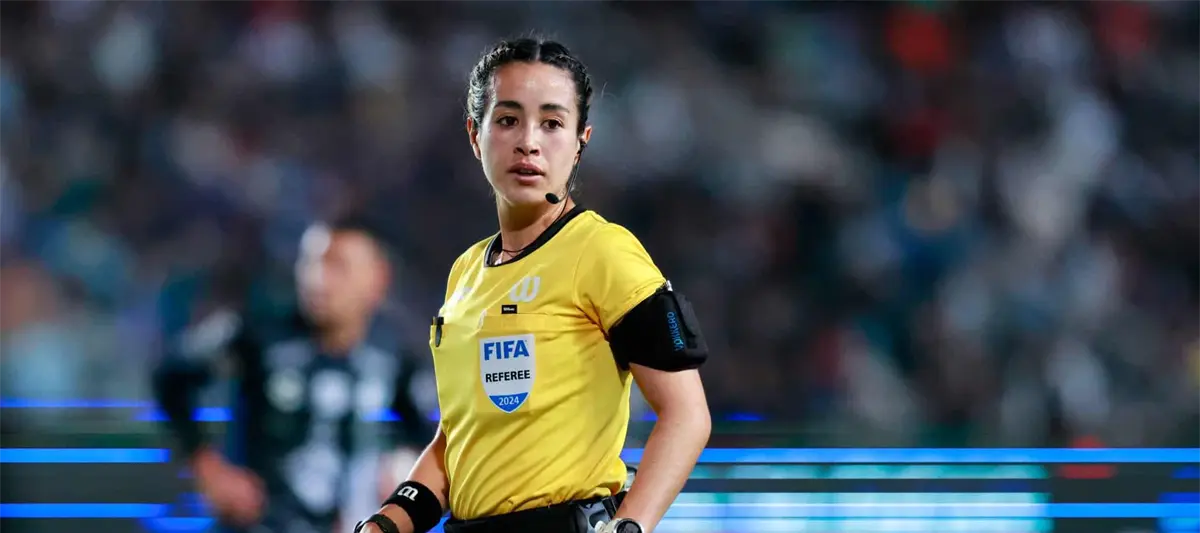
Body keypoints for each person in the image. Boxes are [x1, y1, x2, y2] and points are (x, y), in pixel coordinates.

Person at [355, 37, 712, 533]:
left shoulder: (602, 251)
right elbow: (457, 440)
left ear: (581, 140)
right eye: (507, 120)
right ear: (475, 135)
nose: (529, 141)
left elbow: (687, 416)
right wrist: (387, 522)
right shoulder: (465, 273)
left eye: (552, 123)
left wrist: (629, 526)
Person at [152, 212, 434, 533]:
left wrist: (403, 472)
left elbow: (428, 434)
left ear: (377, 279)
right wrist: (209, 469)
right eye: (311, 263)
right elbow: (171, 377)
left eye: (338, 266)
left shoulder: (393, 355)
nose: (318, 279)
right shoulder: (257, 333)